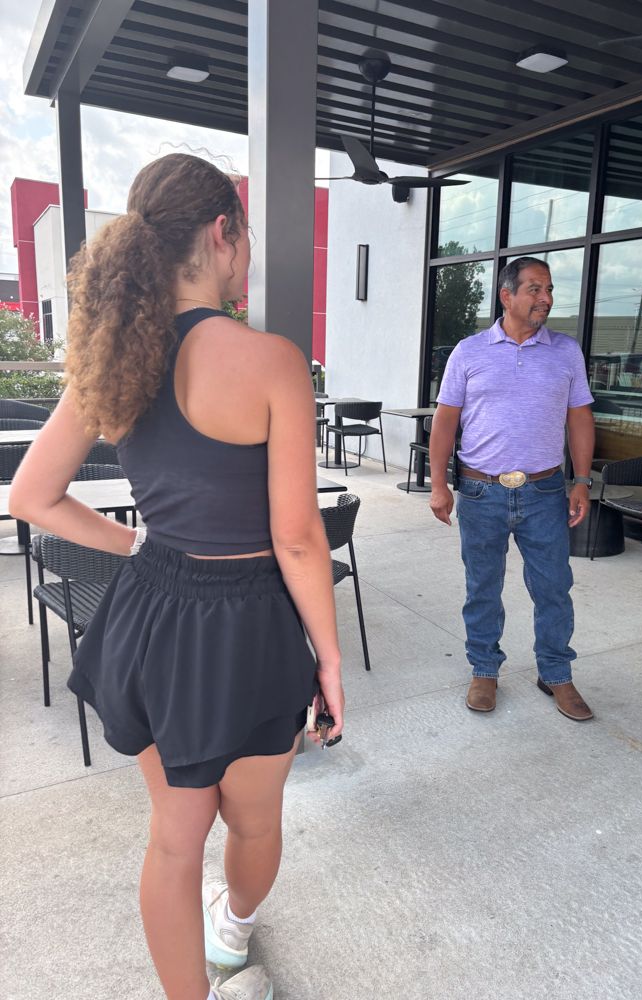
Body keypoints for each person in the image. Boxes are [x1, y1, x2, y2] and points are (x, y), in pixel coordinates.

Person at [9, 153, 344, 1000]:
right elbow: (299, 540)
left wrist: (139, 550)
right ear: (223, 233)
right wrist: (331, 661)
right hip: (254, 622)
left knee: (173, 836)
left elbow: (32, 496)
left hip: (153, 613)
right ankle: (233, 933)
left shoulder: (118, 357)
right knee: (256, 819)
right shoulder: (272, 360)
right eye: (247, 238)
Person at [429, 257, 595, 721]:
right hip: (481, 493)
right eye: (535, 289)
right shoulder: (469, 352)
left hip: (545, 492)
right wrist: (439, 484)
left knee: (554, 588)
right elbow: (446, 421)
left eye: (549, 289)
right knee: (482, 587)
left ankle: (557, 674)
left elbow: (579, 417)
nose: (546, 299)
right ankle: (484, 669)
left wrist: (581, 481)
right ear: (507, 295)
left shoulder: (566, 352)